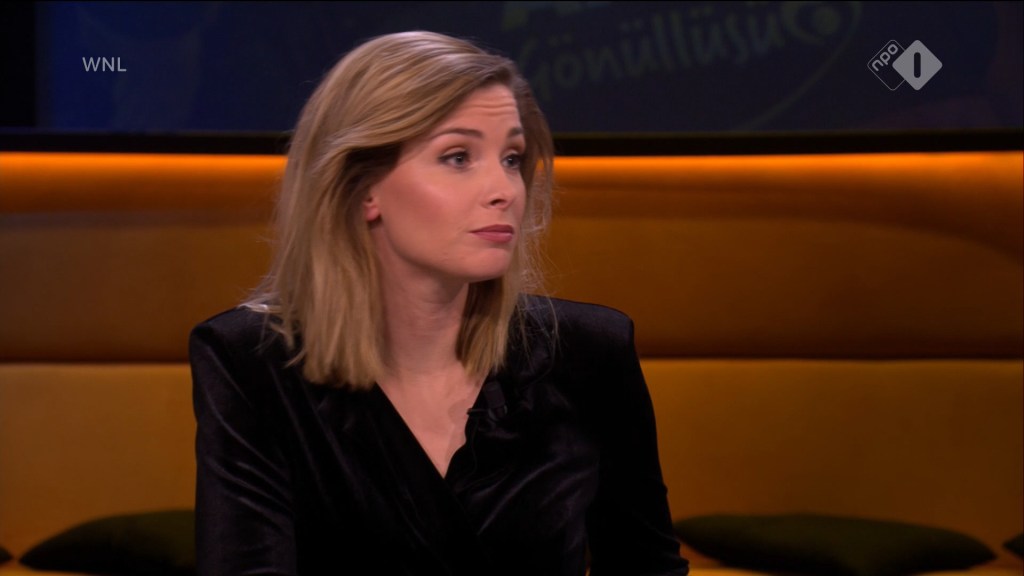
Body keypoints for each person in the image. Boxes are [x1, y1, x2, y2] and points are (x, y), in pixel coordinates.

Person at [189, 30, 688, 576]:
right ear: (363, 187)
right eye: (458, 157)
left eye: (512, 158)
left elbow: (647, 567)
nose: (505, 190)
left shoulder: (588, 354)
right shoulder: (251, 363)